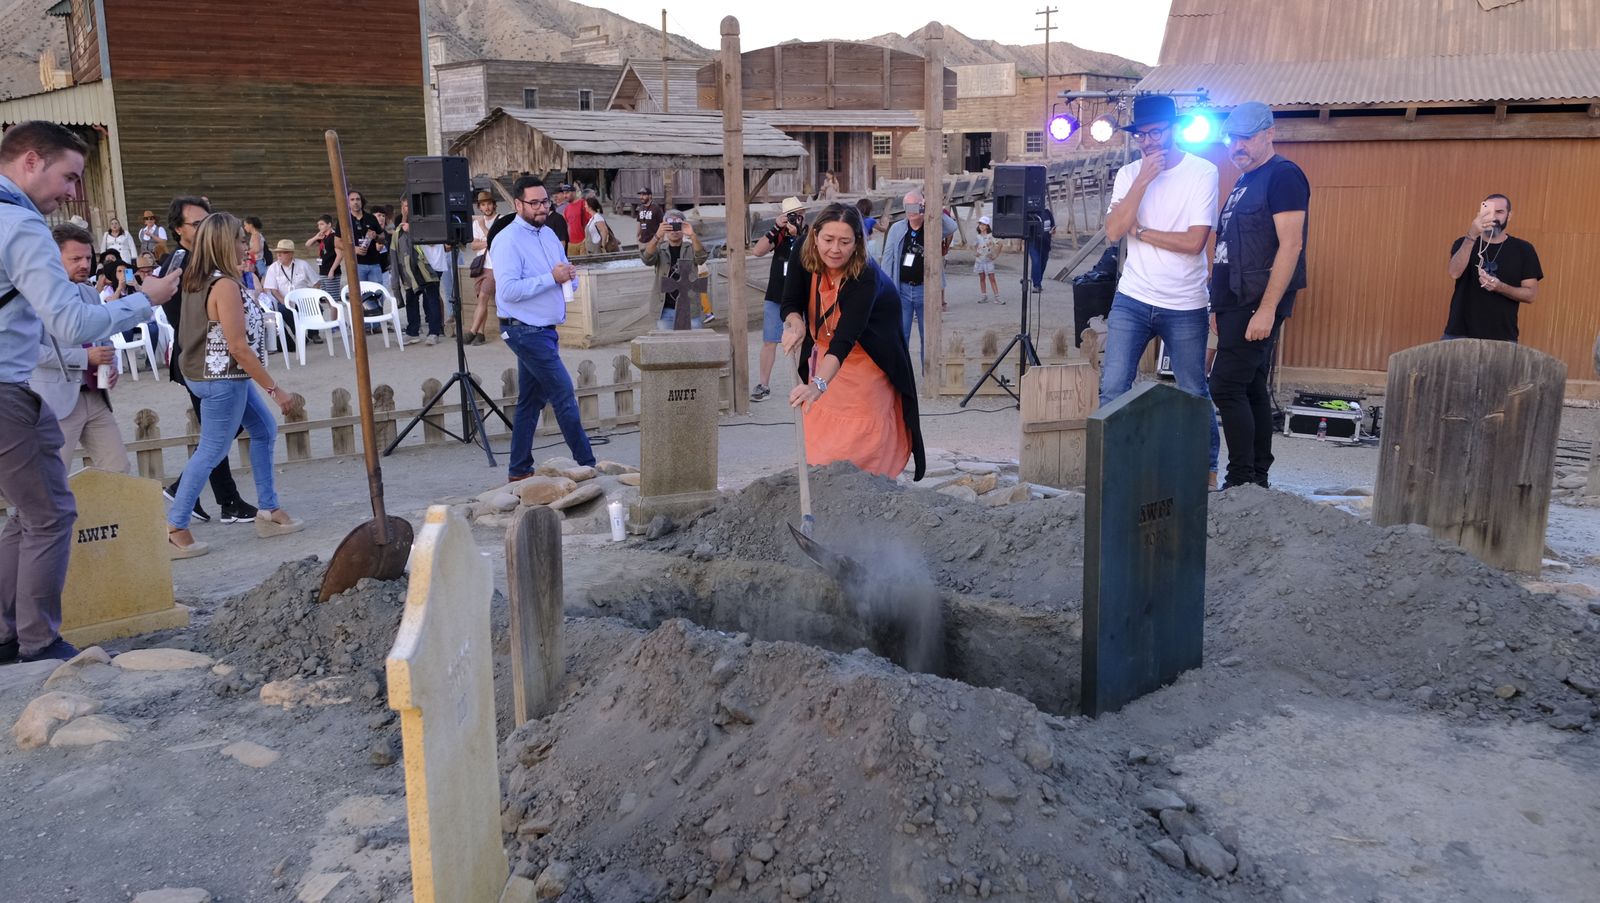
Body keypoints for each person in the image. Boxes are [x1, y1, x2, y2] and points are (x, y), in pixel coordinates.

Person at [0, 120, 182, 663]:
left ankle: (8, 632)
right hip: (7, 390)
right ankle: (37, 643)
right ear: (31, 160)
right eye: (69, 176)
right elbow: (71, 323)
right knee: (51, 515)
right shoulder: (21, 225)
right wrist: (146, 299)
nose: (73, 192)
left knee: (28, 513)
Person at [1100, 94, 1221, 487]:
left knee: (1192, 389)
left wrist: (1143, 232)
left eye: (1156, 133)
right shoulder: (1129, 174)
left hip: (1185, 302)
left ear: (1174, 130)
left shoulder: (1202, 172)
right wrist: (1142, 180)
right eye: (1142, 135)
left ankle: (1205, 471)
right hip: (1133, 297)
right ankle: (1113, 470)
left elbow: (1194, 242)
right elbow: (1114, 231)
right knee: (1113, 386)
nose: (1148, 142)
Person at [166, 213, 303, 558]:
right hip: (222, 379)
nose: (247, 246)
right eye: (241, 240)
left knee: (263, 430)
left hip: (217, 375)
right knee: (211, 451)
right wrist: (276, 390)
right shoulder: (224, 286)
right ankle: (175, 527)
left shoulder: (201, 278)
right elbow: (238, 347)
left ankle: (268, 509)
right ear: (225, 244)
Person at [779, 202, 925, 480]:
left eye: (845, 242)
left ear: (857, 242)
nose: (835, 249)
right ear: (815, 236)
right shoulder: (802, 251)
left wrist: (817, 385)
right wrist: (795, 323)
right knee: (822, 428)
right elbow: (790, 301)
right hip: (826, 351)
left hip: (869, 354)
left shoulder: (864, 276)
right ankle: (825, 483)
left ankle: (870, 487)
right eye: (828, 240)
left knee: (863, 434)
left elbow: (845, 339)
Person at [1208, 102, 1309, 491]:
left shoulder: (1283, 175)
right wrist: (1218, 305)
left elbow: (1291, 245)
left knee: (1225, 385)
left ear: (1270, 133)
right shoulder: (1245, 179)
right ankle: (1256, 479)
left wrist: (1267, 310)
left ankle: (1241, 480)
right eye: (1232, 138)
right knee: (1249, 386)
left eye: (1247, 138)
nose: (1238, 146)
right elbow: (1229, 247)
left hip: (1255, 301)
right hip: (1233, 301)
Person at [489, 175, 596, 481]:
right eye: (534, 203)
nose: (541, 208)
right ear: (518, 204)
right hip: (523, 330)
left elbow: (564, 274)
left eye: (545, 201)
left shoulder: (548, 233)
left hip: (544, 328)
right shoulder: (507, 240)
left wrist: (569, 278)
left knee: (530, 401)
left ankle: (519, 469)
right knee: (563, 394)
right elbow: (508, 291)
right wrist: (552, 278)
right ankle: (588, 464)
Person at [162, 195, 258, 524]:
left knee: (224, 429)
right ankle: (218, 499)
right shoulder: (180, 262)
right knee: (216, 434)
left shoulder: (207, 261)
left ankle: (199, 492)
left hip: (217, 360)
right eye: (196, 223)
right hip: (198, 359)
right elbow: (177, 314)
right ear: (179, 229)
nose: (204, 228)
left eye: (207, 221)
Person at [34, 222, 128, 474]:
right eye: (75, 259)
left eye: (88, 258)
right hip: (55, 402)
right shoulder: (34, 298)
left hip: (96, 396)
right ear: (53, 257)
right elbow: (31, 352)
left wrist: (110, 367)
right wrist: (84, 357)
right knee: (51, 479)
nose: (85, 264)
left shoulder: (90, 294)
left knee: (118, 470)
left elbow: (103, 339)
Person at [1443, 193, 1542, 342]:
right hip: (1459, 334)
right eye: (1488, 211)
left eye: (1499, 212)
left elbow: (1530, 295)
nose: (1494, 217)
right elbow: (1454, 273)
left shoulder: (1524, 249)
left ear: (1509, 216)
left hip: (1502, 337)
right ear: (1480, 214)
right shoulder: (1464, 242)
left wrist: (1500, 287)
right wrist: (1472, 236)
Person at [877, 188, 958, 368]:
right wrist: (886, 289)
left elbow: (952, 227)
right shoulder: (897, 228)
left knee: (927, 336)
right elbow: (888, 258)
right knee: (901, 334)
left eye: (915, 206)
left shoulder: (933, 225)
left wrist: (932, 208)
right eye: (908, 207)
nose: (912, 211)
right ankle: (902, 373)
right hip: (902, 289)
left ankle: (927, 373)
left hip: (926, 289)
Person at [750, 196, 808, 401]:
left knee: (801, 341)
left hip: (801, 296)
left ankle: (802, 385)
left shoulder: (809, 235)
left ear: (803, 215)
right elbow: (757, 251)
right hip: (776, 295)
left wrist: (799, 234)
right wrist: (776, 227)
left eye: (797, 215)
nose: (795, 218)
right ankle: (763, 385)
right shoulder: (779, 234)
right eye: (790, 215)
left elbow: (812, 256)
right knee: (769, 341)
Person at [641, 209, 708, 331]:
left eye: (678, 226)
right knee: (666, 342)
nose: (674, 230)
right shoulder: (660, 249)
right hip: (665, 308)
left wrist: (692, 235)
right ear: (665, 228)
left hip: (690, 308)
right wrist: (657, 236)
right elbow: (647, 259)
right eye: (670, 226)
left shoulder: (690, 248)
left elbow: (701, 258)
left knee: (695, 341)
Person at [390, 197, 445, 345]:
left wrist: (412, 230)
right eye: (405, 206)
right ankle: (412, 331)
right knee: (411, 299)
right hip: (410, 270)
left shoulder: (427, 220)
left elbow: (434, 241)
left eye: (409, 206)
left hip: (430, 267)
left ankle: (434, 332)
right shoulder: (400, 227)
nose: (407, 209)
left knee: (431, 299)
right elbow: (396, 252)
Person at [262, 238, 320, 351]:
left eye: (282, 252)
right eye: (277, 252)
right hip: (285, 300)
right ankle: (299, 334)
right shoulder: (273, 268)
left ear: (291, 254)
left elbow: (316, 283)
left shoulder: (302, 265)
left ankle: (314, 333)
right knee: (283, 310)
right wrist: (284, 301)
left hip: (303, 300)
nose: (279, 255)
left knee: (316, 306)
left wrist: (311, 298)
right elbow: (273, 290)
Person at [464, 190, 499, 346]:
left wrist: (484, 229)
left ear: (494, 205)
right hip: (481, 266)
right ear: (479, 207)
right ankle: (481, 333)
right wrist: (488, 242)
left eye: (489, 204)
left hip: (494, 267)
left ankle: (472, 331)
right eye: (483, 205)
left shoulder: (500, 220)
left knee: (483, 297)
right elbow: (473, 246)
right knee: (480, 300)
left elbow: (497, 242)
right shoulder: (476, 223)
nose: (486, 207)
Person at [346, 190, 384, 285]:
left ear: (362, 201)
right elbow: (337, 242)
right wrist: (353, 249)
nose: (355, 202)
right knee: (360, 292)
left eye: (358, 199)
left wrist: (376, 236)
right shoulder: (345, 220)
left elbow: (382, 237)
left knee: (377, 292)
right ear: (348, 202)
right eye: (352, 200)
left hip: (374, 263)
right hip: (356, 264)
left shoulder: (371, 218)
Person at [307, 214, 343, 297]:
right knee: (325, 297)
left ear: (329, 224)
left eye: (322, 224)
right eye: (318, 225)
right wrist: (316, 237)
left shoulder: (334, 237)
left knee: (332, 297)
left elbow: (340, 255)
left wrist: (332, 270)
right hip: (323, 270)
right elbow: (308, 244)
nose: (319, 227)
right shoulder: (323, 236)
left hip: (331, 271)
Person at [973, 215, 1002, 304]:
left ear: (987, 226)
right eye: (980, 224)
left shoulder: (991, 236)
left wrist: (995, 255)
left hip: (988, 261)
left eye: (983, 224)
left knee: (992, 278)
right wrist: (976, 252)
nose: (981, 226)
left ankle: (997, 297)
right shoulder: (977, 236)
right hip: (979, 261)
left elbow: (1000, 244)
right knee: (982, 278)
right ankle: (984, 296)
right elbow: (974, 245)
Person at [1028, 205, 1056, 292]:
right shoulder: (1031, 214)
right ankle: (1036, 285)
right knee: (1036, 262)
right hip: (1033, 243)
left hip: (1045, 243)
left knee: (1043, 263)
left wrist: (1052, 230)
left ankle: (1037, 280)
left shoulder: (1048, 213)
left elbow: (1053, 226)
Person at [565, 188, 594, 258]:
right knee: (573, 263)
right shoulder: (567, 208)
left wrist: (587, 238)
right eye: (564, 193)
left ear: (574, 192)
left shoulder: (583, 203)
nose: (565, 195)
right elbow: (567, 225)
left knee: (584, 263)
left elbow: (592, 220)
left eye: (567, 193)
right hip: (571, 243)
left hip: (583, 241)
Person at [243, 216, 268, 281]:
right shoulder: (256, 234)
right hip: (257, 260)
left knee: (265, 277)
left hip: (258, 260)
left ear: (250, 225)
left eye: (245, 225)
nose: (244, 227)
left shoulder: (255, 235)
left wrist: (247, 252)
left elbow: (257, 249)